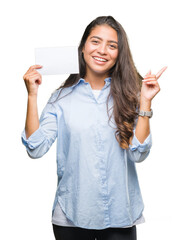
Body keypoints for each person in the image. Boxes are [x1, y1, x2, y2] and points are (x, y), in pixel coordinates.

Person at [22, 16, 167, 240]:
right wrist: (32, 95)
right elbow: (35, 148)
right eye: (95, 41)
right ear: (82, 47)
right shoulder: (61, 98)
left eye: (112, 45)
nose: (102, 50)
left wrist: (145, 102)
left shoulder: (132, 95)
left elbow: (139, 153)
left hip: (120, 213)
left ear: (119, 54)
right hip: (72, 213)